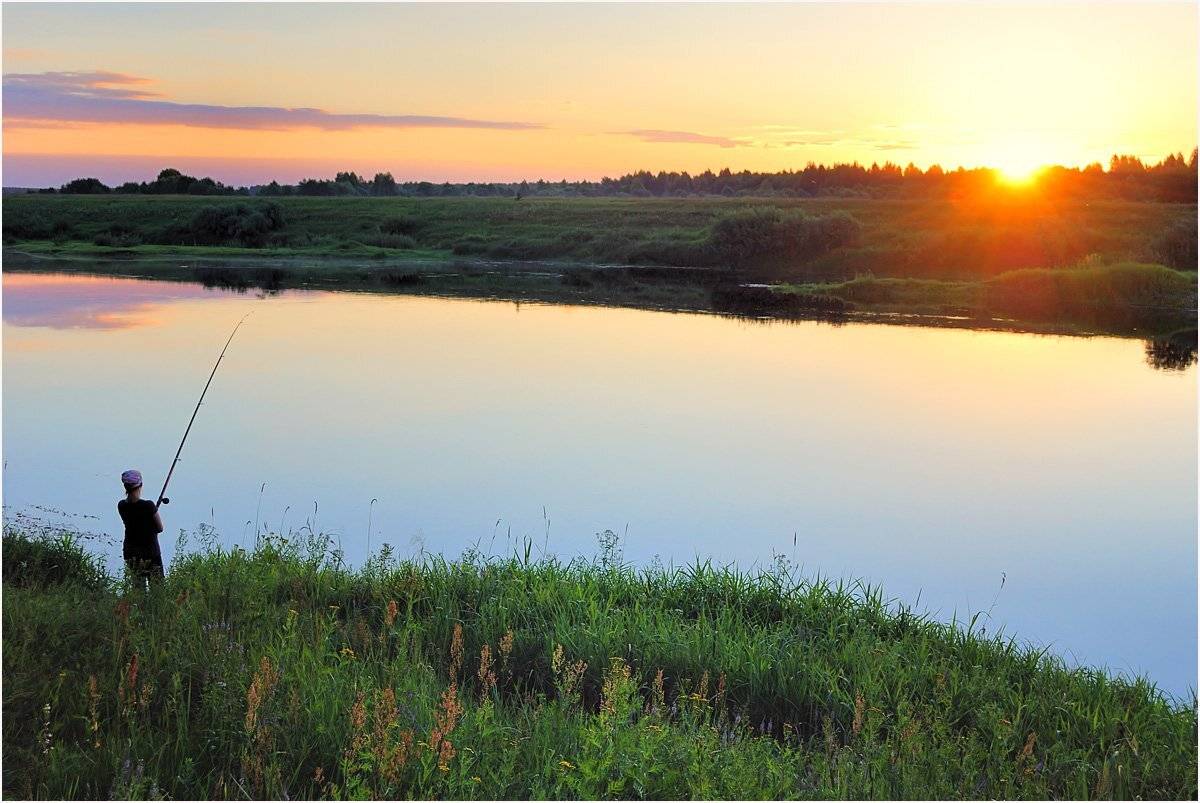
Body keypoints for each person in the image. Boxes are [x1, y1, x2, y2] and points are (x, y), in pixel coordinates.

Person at [117, 469, 165, 586]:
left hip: (131, 552)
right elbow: (160, 528)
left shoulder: (122, 505)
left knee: (138, 588)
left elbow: (135, 522)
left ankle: (138, 605)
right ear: (140, 485)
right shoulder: (148, 505)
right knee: (157, 588)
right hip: (151, 553)